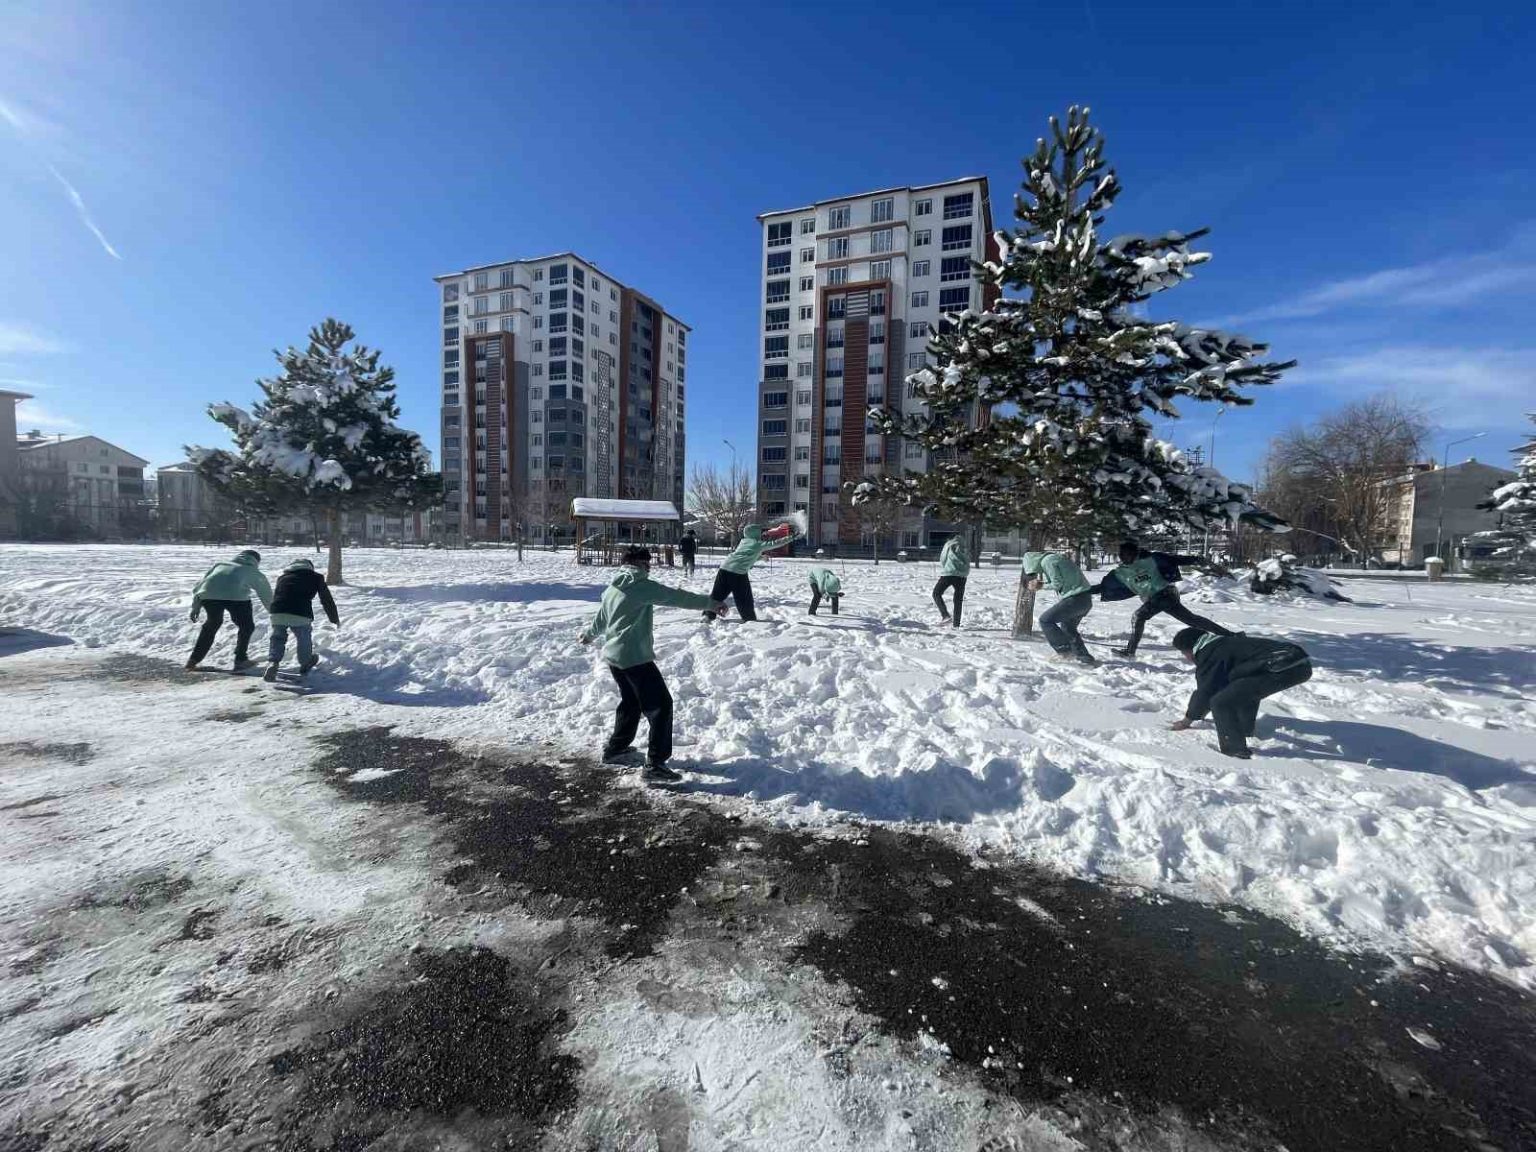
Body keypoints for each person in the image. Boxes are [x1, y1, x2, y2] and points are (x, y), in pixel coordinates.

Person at [582, 546, 727, 782]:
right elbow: (677, 597)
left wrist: (589, 635)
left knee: (631, 701)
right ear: (638, 564)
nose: (648, 568)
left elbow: (602, 617)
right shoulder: (641, 586)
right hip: (634, 657)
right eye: (646, 564)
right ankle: (655, 765)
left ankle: (616, 748)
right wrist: (711, 604)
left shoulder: (613, 587)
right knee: (661, 705)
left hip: (614, 657)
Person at [1169, 627, 1313, 759]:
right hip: (1299, 663)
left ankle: (1234, 751)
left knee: (1221, 702)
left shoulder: (1210, 655)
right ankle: (1244, 730)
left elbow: (1205, 692)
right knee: (1240, 691)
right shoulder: (1223, 644)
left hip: (1283, 665)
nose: (1185, 657)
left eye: (1184, 652)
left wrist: (1187, 720)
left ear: (1192, 648)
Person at [1101, 540, 1230, 658]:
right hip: (1161, 597)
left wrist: (1200, 560)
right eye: (1122, 555)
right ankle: (1230, 636)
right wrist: (1089, 590)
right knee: (1192, 620)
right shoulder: (1124, 571)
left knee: (1138, 616)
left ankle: (1130, 652)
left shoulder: (1152, 559)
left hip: (1164, 594)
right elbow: (1107, 585)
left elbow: (1177, 559)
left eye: (1127, 554)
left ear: (1134, 553)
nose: (1124, 557)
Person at [186, 549, 272, 672]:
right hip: (236, 597)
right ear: (256, 561)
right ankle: (241, 660)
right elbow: (266, 594)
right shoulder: (252, 571)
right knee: (246, 626)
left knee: (212, 624)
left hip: (208, 596)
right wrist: (274, 613)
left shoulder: (220, 565)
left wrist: (196, 607)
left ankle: (193, 661)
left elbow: (201, 585)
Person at [706, 521, 803, 622]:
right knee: (744, 598)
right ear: (754, 533)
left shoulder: (744, 541)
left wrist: (760, 557)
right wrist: (791, 537)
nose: (761, 534)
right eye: (759, 532)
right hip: (738, 573)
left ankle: (708, 616)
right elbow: (775, 543)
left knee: (717, 595)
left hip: (724, 569)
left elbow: (745, 555)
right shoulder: (757, 543)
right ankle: (749, 619)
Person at [263, 558, 339, 681]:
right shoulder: (316, 577)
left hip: (277, 611)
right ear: (310, 567)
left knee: (277, 637)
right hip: (300, 612)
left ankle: (273, 662)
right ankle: (305, 662)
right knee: (303, 637)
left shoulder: (282, 577)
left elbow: (278, 595)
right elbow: (326, 599)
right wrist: (334, 618)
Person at [1022, 550, 1096, 665]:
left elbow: (1057, 583)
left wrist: (1040, 586)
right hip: (1085, 599)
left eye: (1032, 572)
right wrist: (1043, 584)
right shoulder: (1055, 558)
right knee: (1068, 628)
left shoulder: (1047, 561)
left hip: (1074, 599)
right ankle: (1085, 658)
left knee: (1045, 620)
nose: (1034, 574)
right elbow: (1061, 580)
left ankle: (1064, 651)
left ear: (1032, 563)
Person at [932, 536, 970, 628]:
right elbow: (968, 561)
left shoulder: (948, 545)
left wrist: (946, 568)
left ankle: (945, 615)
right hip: (962, 576)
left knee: (936, 593)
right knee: (958, 600)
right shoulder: (964, 546)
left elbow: (943, 559)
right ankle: (956, 625)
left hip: (949, 573)